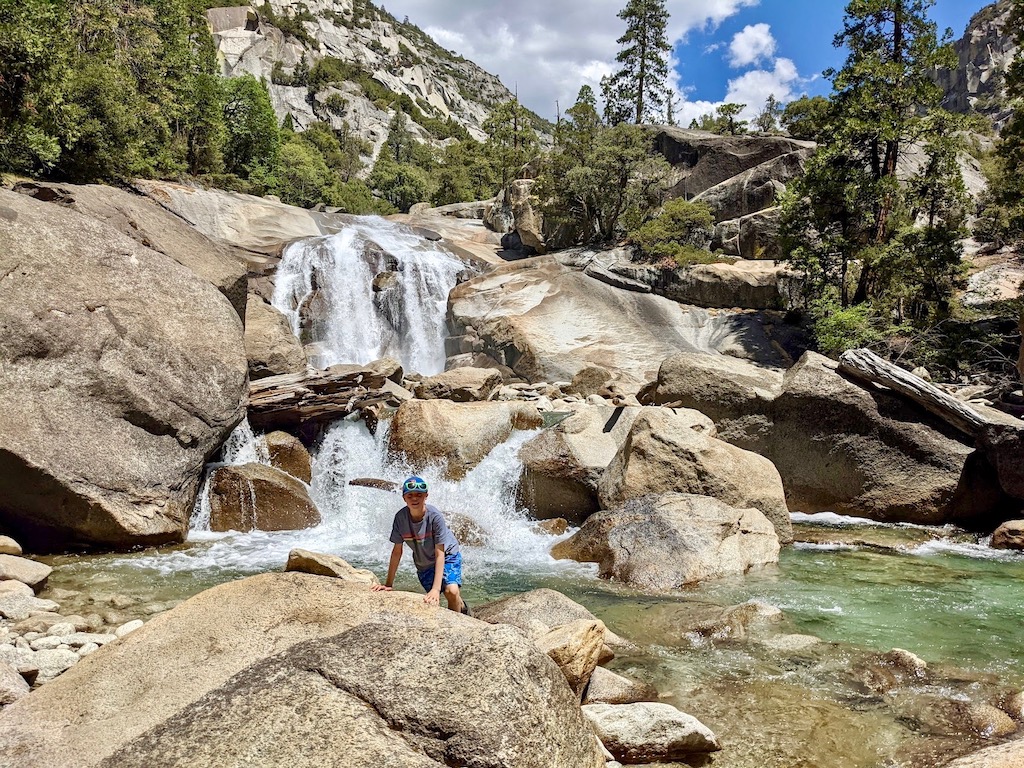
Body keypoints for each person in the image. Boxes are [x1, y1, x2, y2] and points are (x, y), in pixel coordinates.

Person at [371, 476, 470, 615]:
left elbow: (439, 552)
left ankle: (457, 629)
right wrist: (388, 584)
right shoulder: (400, 519)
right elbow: (397, 552)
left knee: (450, 591)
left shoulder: (435, 516)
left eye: (419, 495)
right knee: (435, 600)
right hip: (424, 563)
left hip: (447, 555)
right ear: (404, 498)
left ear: (426, 496)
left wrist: (435, 589)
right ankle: (461, 606)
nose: (415, 499)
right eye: (410, 495)